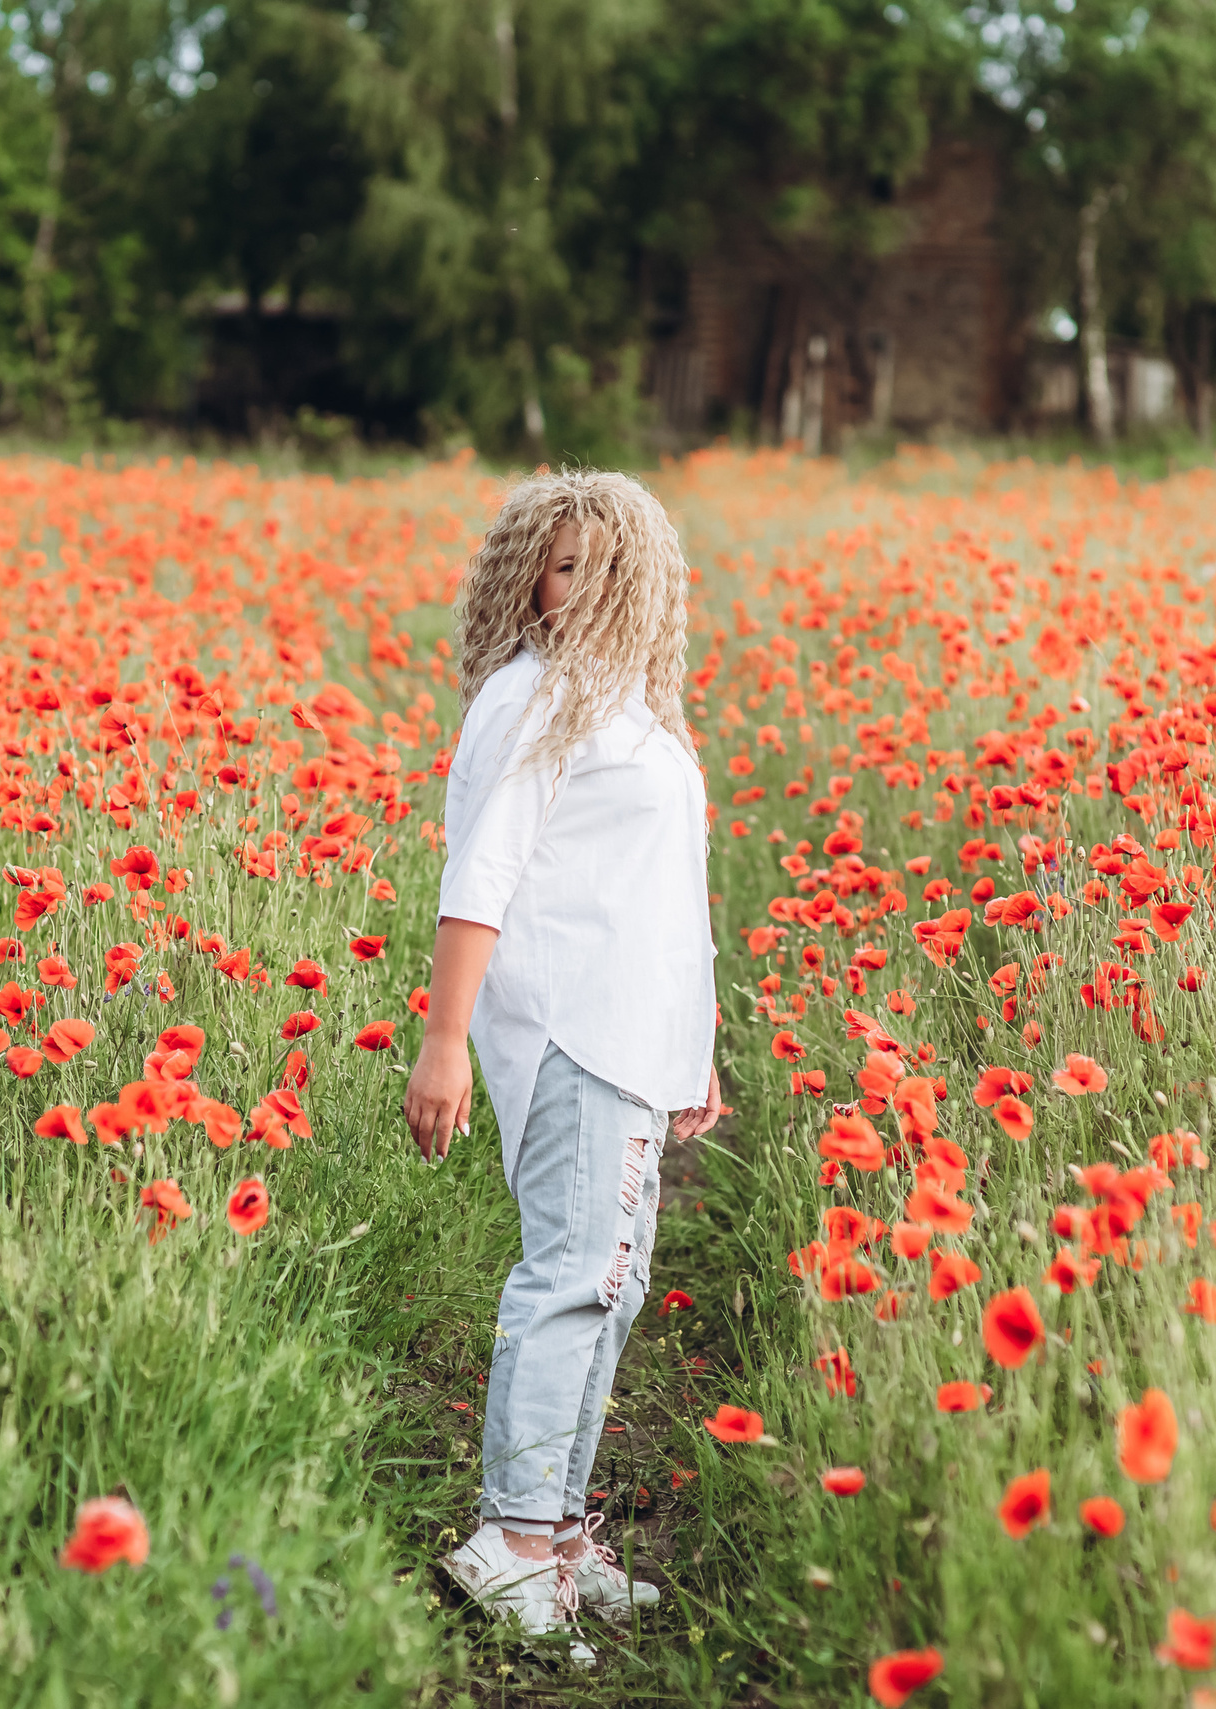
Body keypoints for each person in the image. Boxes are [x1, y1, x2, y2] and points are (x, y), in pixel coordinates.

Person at [403, 469, 724, 1668]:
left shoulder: (632, 709)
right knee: (569, 1277)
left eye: (604, 565)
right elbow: (478, 876)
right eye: (561, 562)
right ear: (527, 575)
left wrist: (693, 1050)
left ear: (644, 579)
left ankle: (558, 1528)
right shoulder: (529, 695)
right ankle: (511, 1537)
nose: (580, 584)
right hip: (566, 1030)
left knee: (616, 1282)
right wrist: (444, 1041)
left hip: (637, 1041)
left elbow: (665, 900)